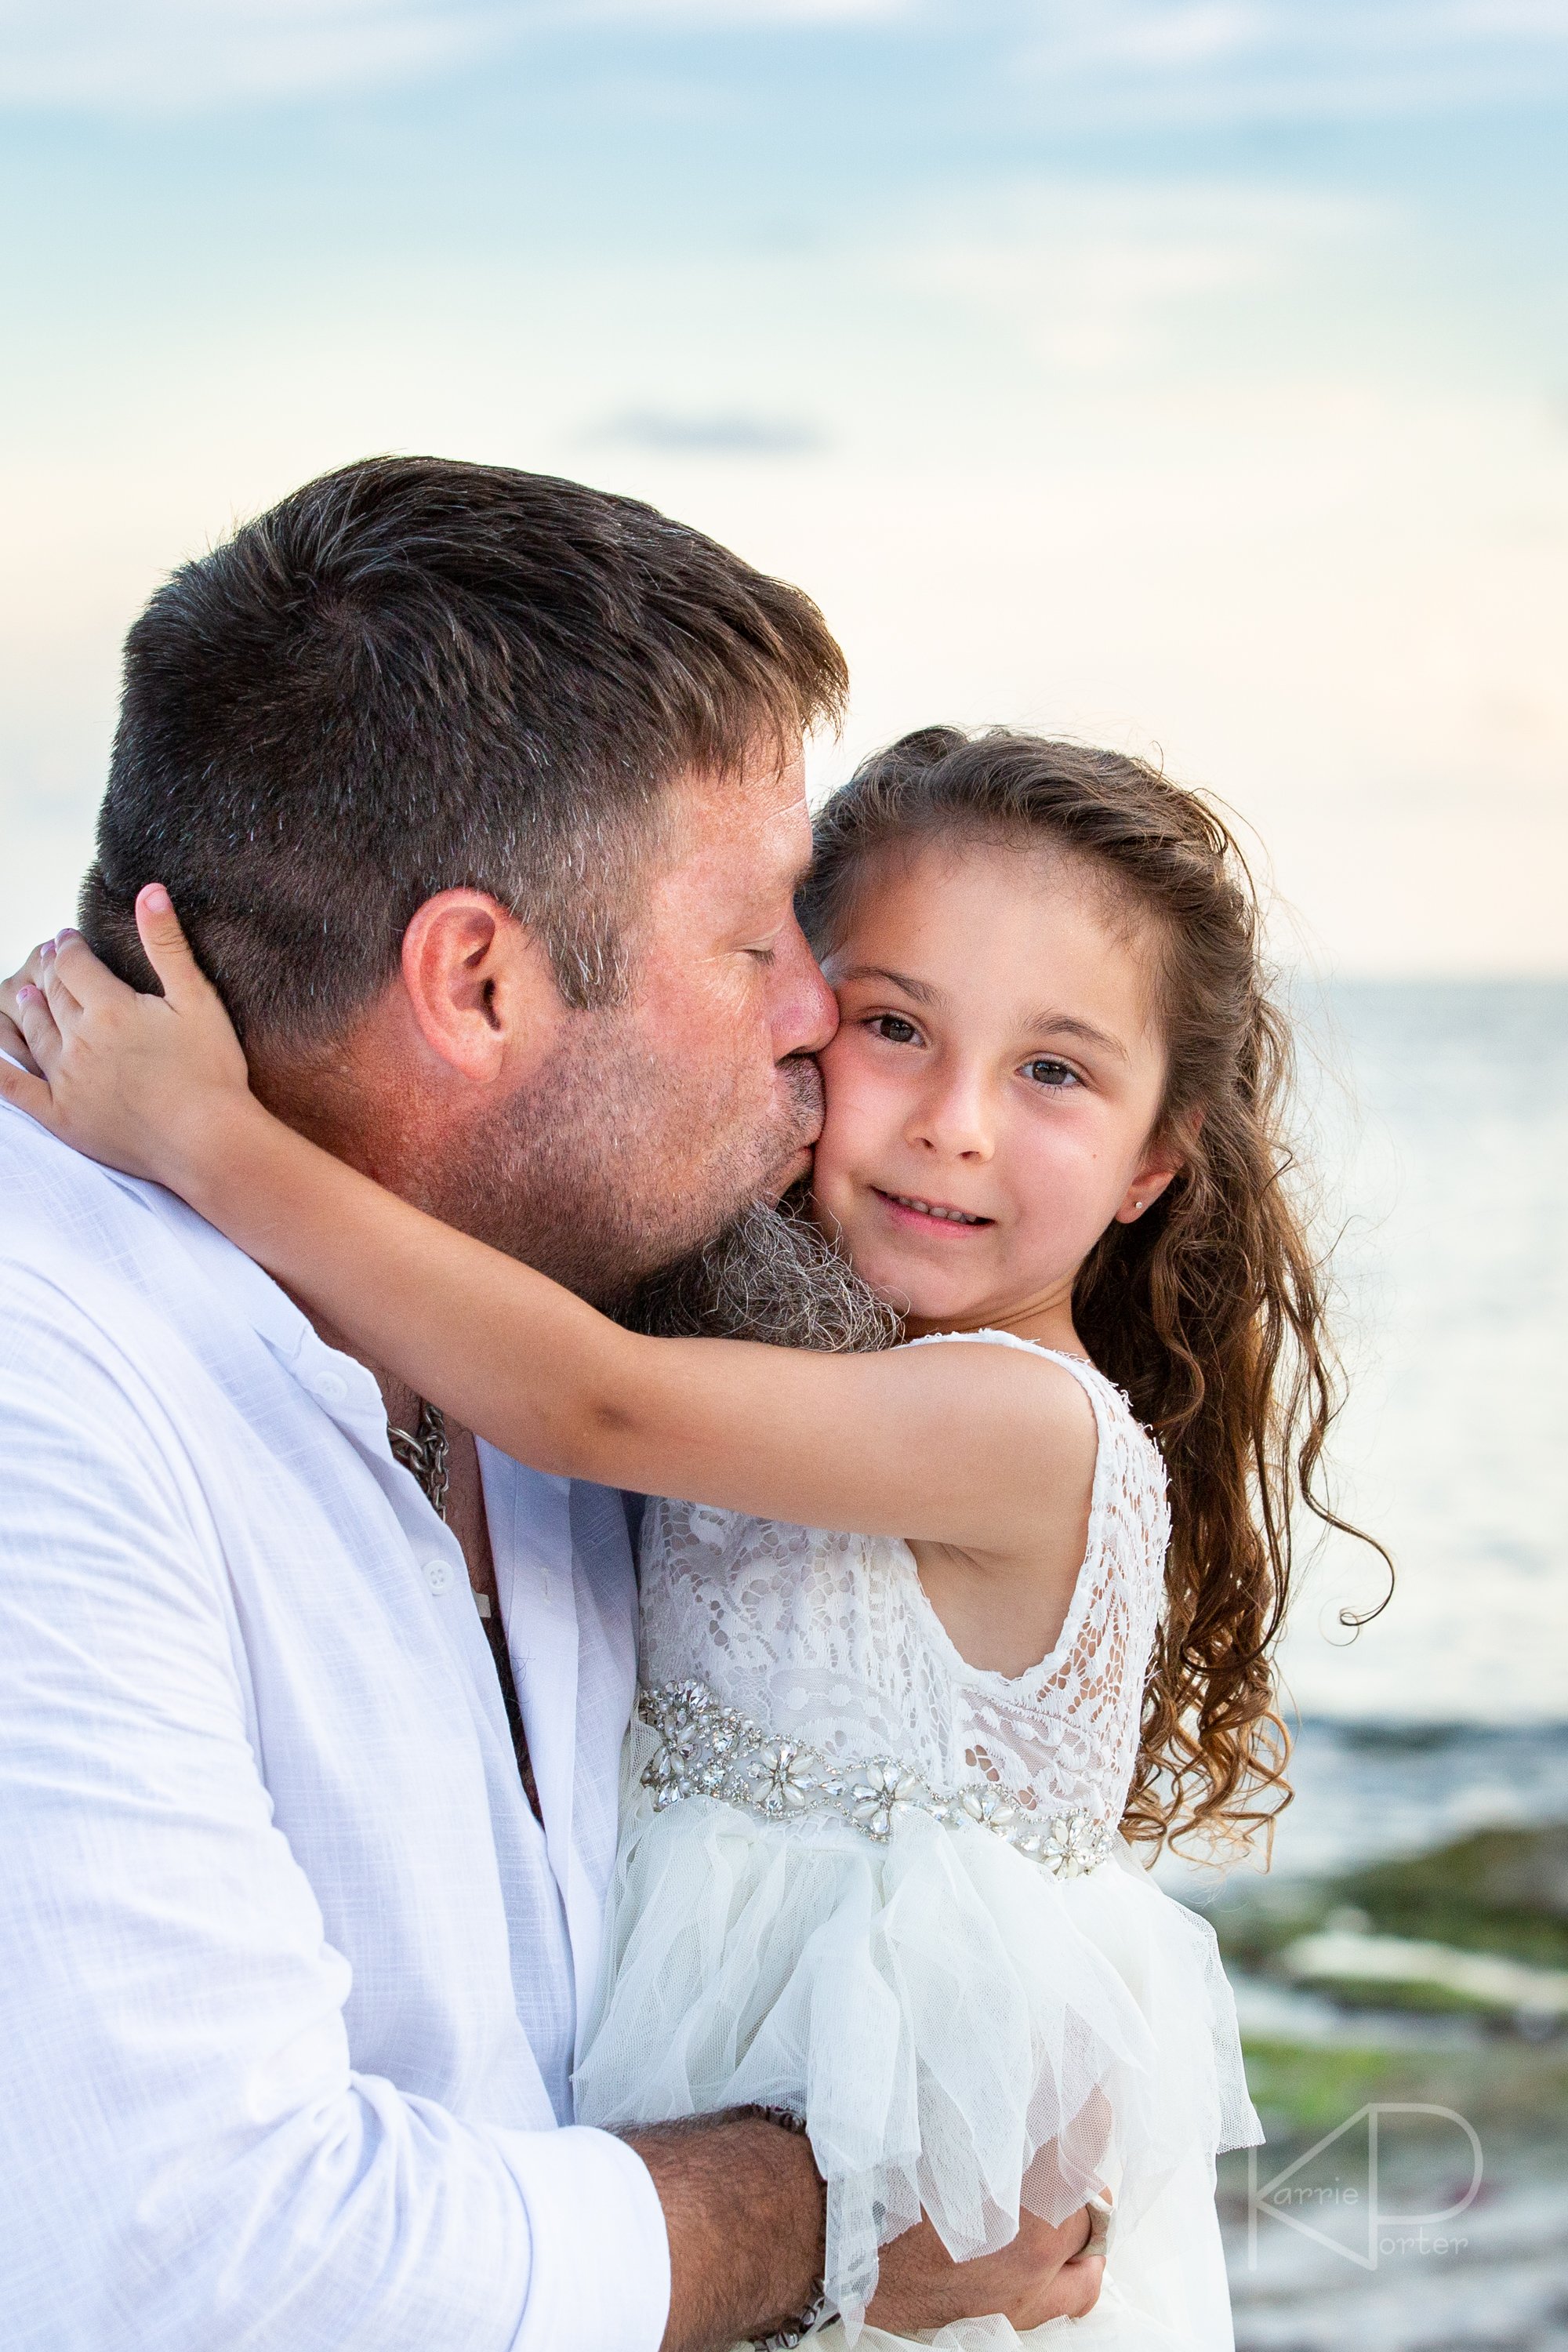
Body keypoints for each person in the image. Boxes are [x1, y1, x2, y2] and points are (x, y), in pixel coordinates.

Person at [3, 727, 1370, 2344]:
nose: (953, 1122)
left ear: (1154, 1162)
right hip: (700, 2068)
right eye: (894, 1025)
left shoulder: (1022, 1426)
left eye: (1051, 1072)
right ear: (793, 1013)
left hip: (902, 2097)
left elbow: (593, 1407)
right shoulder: (787, 1344)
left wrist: (206, 1140)